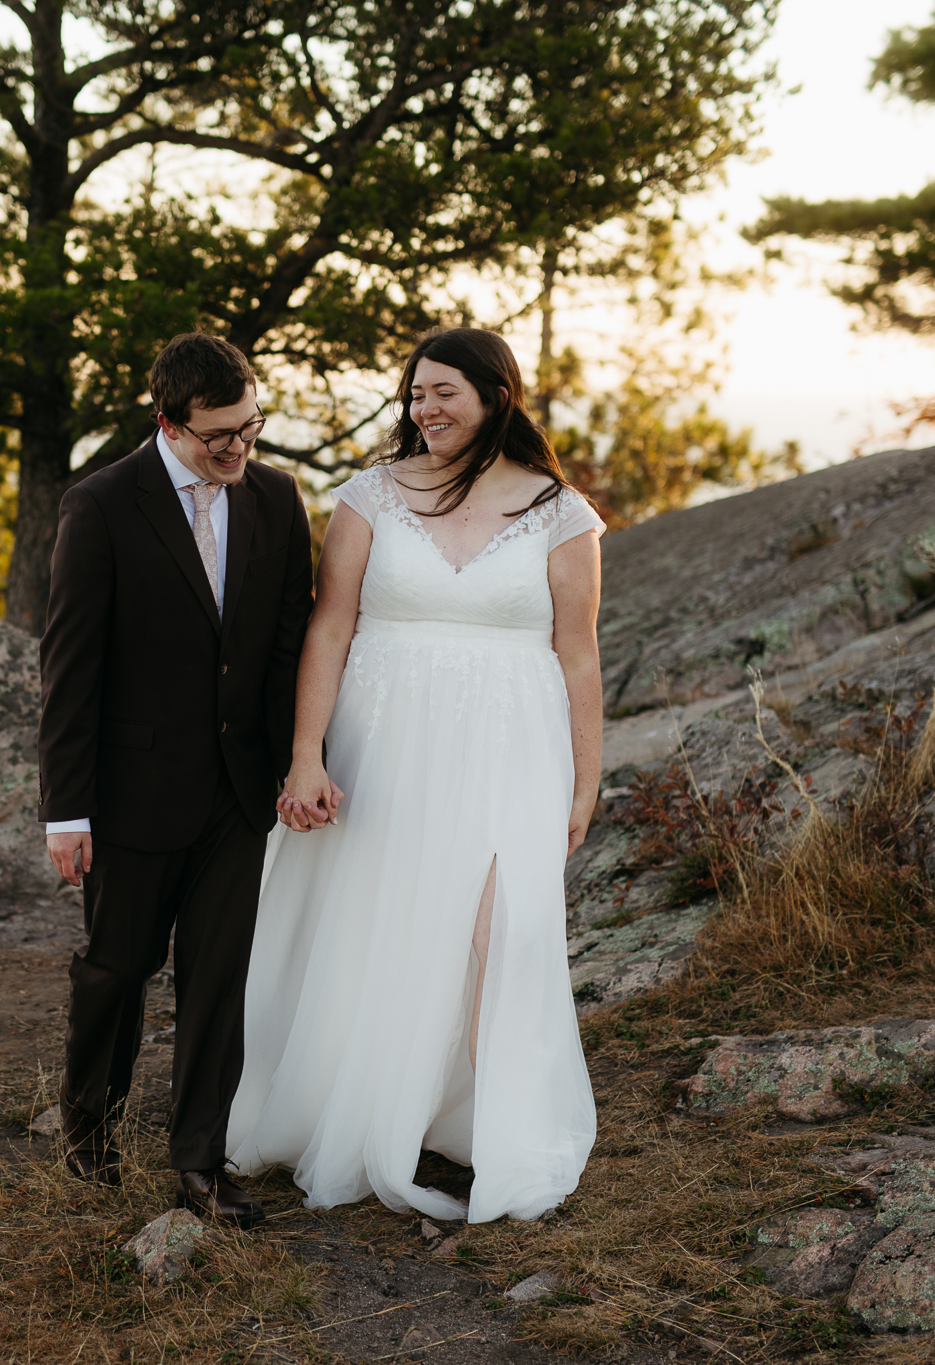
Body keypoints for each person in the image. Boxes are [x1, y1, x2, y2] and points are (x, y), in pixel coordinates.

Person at [225, 326, 601, 1223]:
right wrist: (305, 753)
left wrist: (585, 786)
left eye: (445, 394)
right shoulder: (371, 496)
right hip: (380, 746)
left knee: (497, 934)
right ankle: (364, 1107)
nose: (424, 410)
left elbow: (578, 656)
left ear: (496, 397)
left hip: (512, 754)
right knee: (377, 923)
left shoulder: (563, 513)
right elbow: (329, 627)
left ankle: (502, 1131)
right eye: (416, 394)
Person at [37, 332, 314, 1227]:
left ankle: (200, 1163)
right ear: (168, 422)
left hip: (239, 795)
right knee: (115, 971)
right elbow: (71, 667)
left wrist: (291, 762)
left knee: (217, 981)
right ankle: (91, 1137)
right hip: (129, 795)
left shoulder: (275, 496)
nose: (239, 450)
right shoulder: (103, 504)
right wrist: (65, 811)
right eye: (218, 437)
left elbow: (284, 646)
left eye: (251, 427)